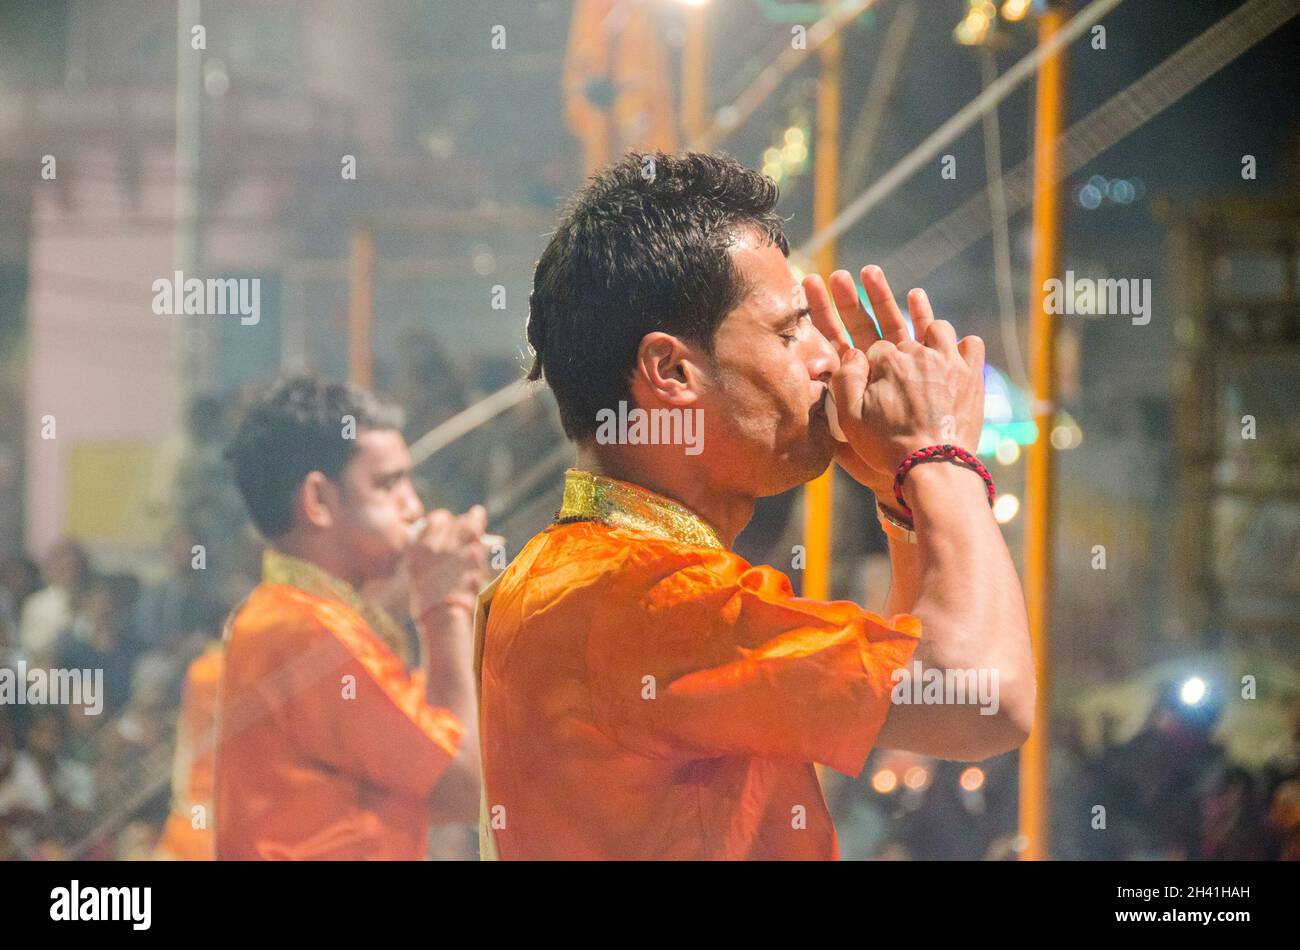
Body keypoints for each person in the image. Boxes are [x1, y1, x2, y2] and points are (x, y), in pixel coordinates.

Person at [475, 151, 1035, 859]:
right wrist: (942, 453)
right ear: (673, 372)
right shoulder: (646, 595)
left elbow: (929, 698)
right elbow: (984, 698)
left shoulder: (586, 573)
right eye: (788, 331)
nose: (827, 358)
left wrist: (905, 497)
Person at [216, 376, 486, 860]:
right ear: (318, 501)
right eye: (388, 484)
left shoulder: (289, 615)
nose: (414, 506)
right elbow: (464, 787)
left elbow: (431, 781)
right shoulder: (308, 631)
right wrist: (444, 607)